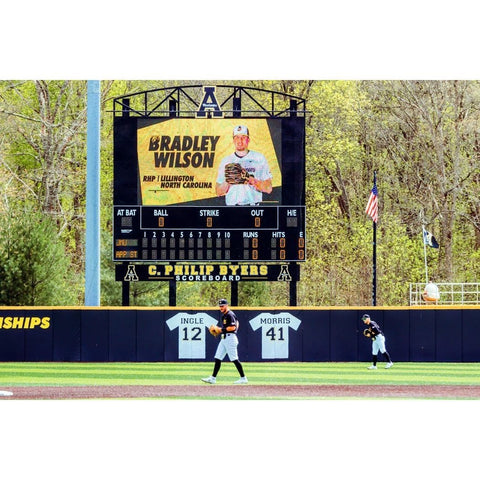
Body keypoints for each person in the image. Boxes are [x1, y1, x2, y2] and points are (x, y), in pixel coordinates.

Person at [216, 125, 273, 205]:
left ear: (248, 139)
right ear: (233, 140)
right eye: (236, 137)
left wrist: (250, 179)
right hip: (232, 209)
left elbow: (268, 188)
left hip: (253, 208)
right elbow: (218, 191)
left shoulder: (259, 158)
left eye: (243, 137)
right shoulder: (226, 161)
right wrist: (230, 180)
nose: (240, 140)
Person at [201, 299, 248, 384]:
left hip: (230, 339)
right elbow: (237, 322)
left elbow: (233, 327)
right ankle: (213, 378)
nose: (221, 307)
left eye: (222, 306)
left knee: (234, 359)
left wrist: (220, 329)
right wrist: (219, 331)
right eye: (220, 306)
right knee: (218, 357)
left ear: (226, 305)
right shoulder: (225, 315)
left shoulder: (230, 314)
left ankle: (243, 378)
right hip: (224, 339)